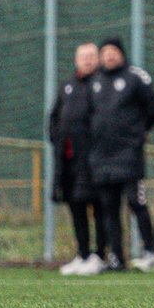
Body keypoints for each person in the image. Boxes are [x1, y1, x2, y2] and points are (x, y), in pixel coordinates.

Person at [87, 37, 154, 271]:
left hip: (129, 155)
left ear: (121, 53)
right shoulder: (95, 81)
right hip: (102, 156)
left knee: (136, 202)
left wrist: (140, 132)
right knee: (109, 208)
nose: (109, 55)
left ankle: (151, 252)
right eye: (105, 52)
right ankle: (117, 257)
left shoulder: (135, 77)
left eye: (113, 51)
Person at [49, 42, 107, 275]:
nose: (87, 60)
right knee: (76, 206)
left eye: (92, 56)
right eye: (83, 56)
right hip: (68, 161)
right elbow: (54, 118)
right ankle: (83, 254)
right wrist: (57, 140)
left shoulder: (102, 85)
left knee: (100, 207)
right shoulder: (67, 86)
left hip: (94, 160)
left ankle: (100, 255)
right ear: (76, 60)